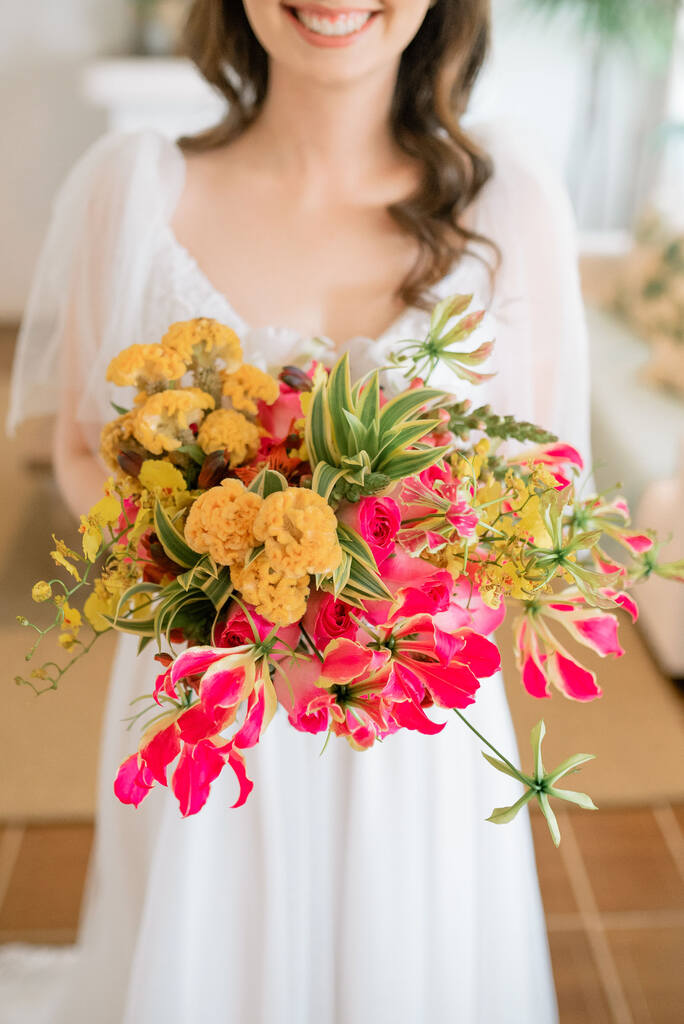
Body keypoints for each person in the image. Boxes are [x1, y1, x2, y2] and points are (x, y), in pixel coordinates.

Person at [4, 1, 591, 1021]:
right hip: (208, 714)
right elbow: (76, 451)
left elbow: (542, 489)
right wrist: (224, 601)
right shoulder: (135, 190)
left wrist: (378, 624)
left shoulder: (510, 205)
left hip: (412, 728)